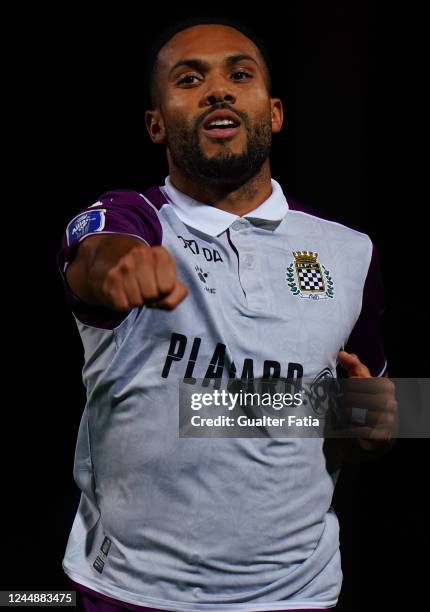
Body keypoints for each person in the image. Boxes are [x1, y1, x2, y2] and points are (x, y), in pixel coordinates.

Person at [58, 17, 396, 612]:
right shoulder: (135, 220)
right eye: (190, 79)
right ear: (156, 124)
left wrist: (373, 425)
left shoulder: (350, 251)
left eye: (240, 75)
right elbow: (96, 252)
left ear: (275, 113)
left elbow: (362, 409)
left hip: (297, 595)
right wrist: (115, 265)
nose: (218, 89)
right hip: (128, 591)